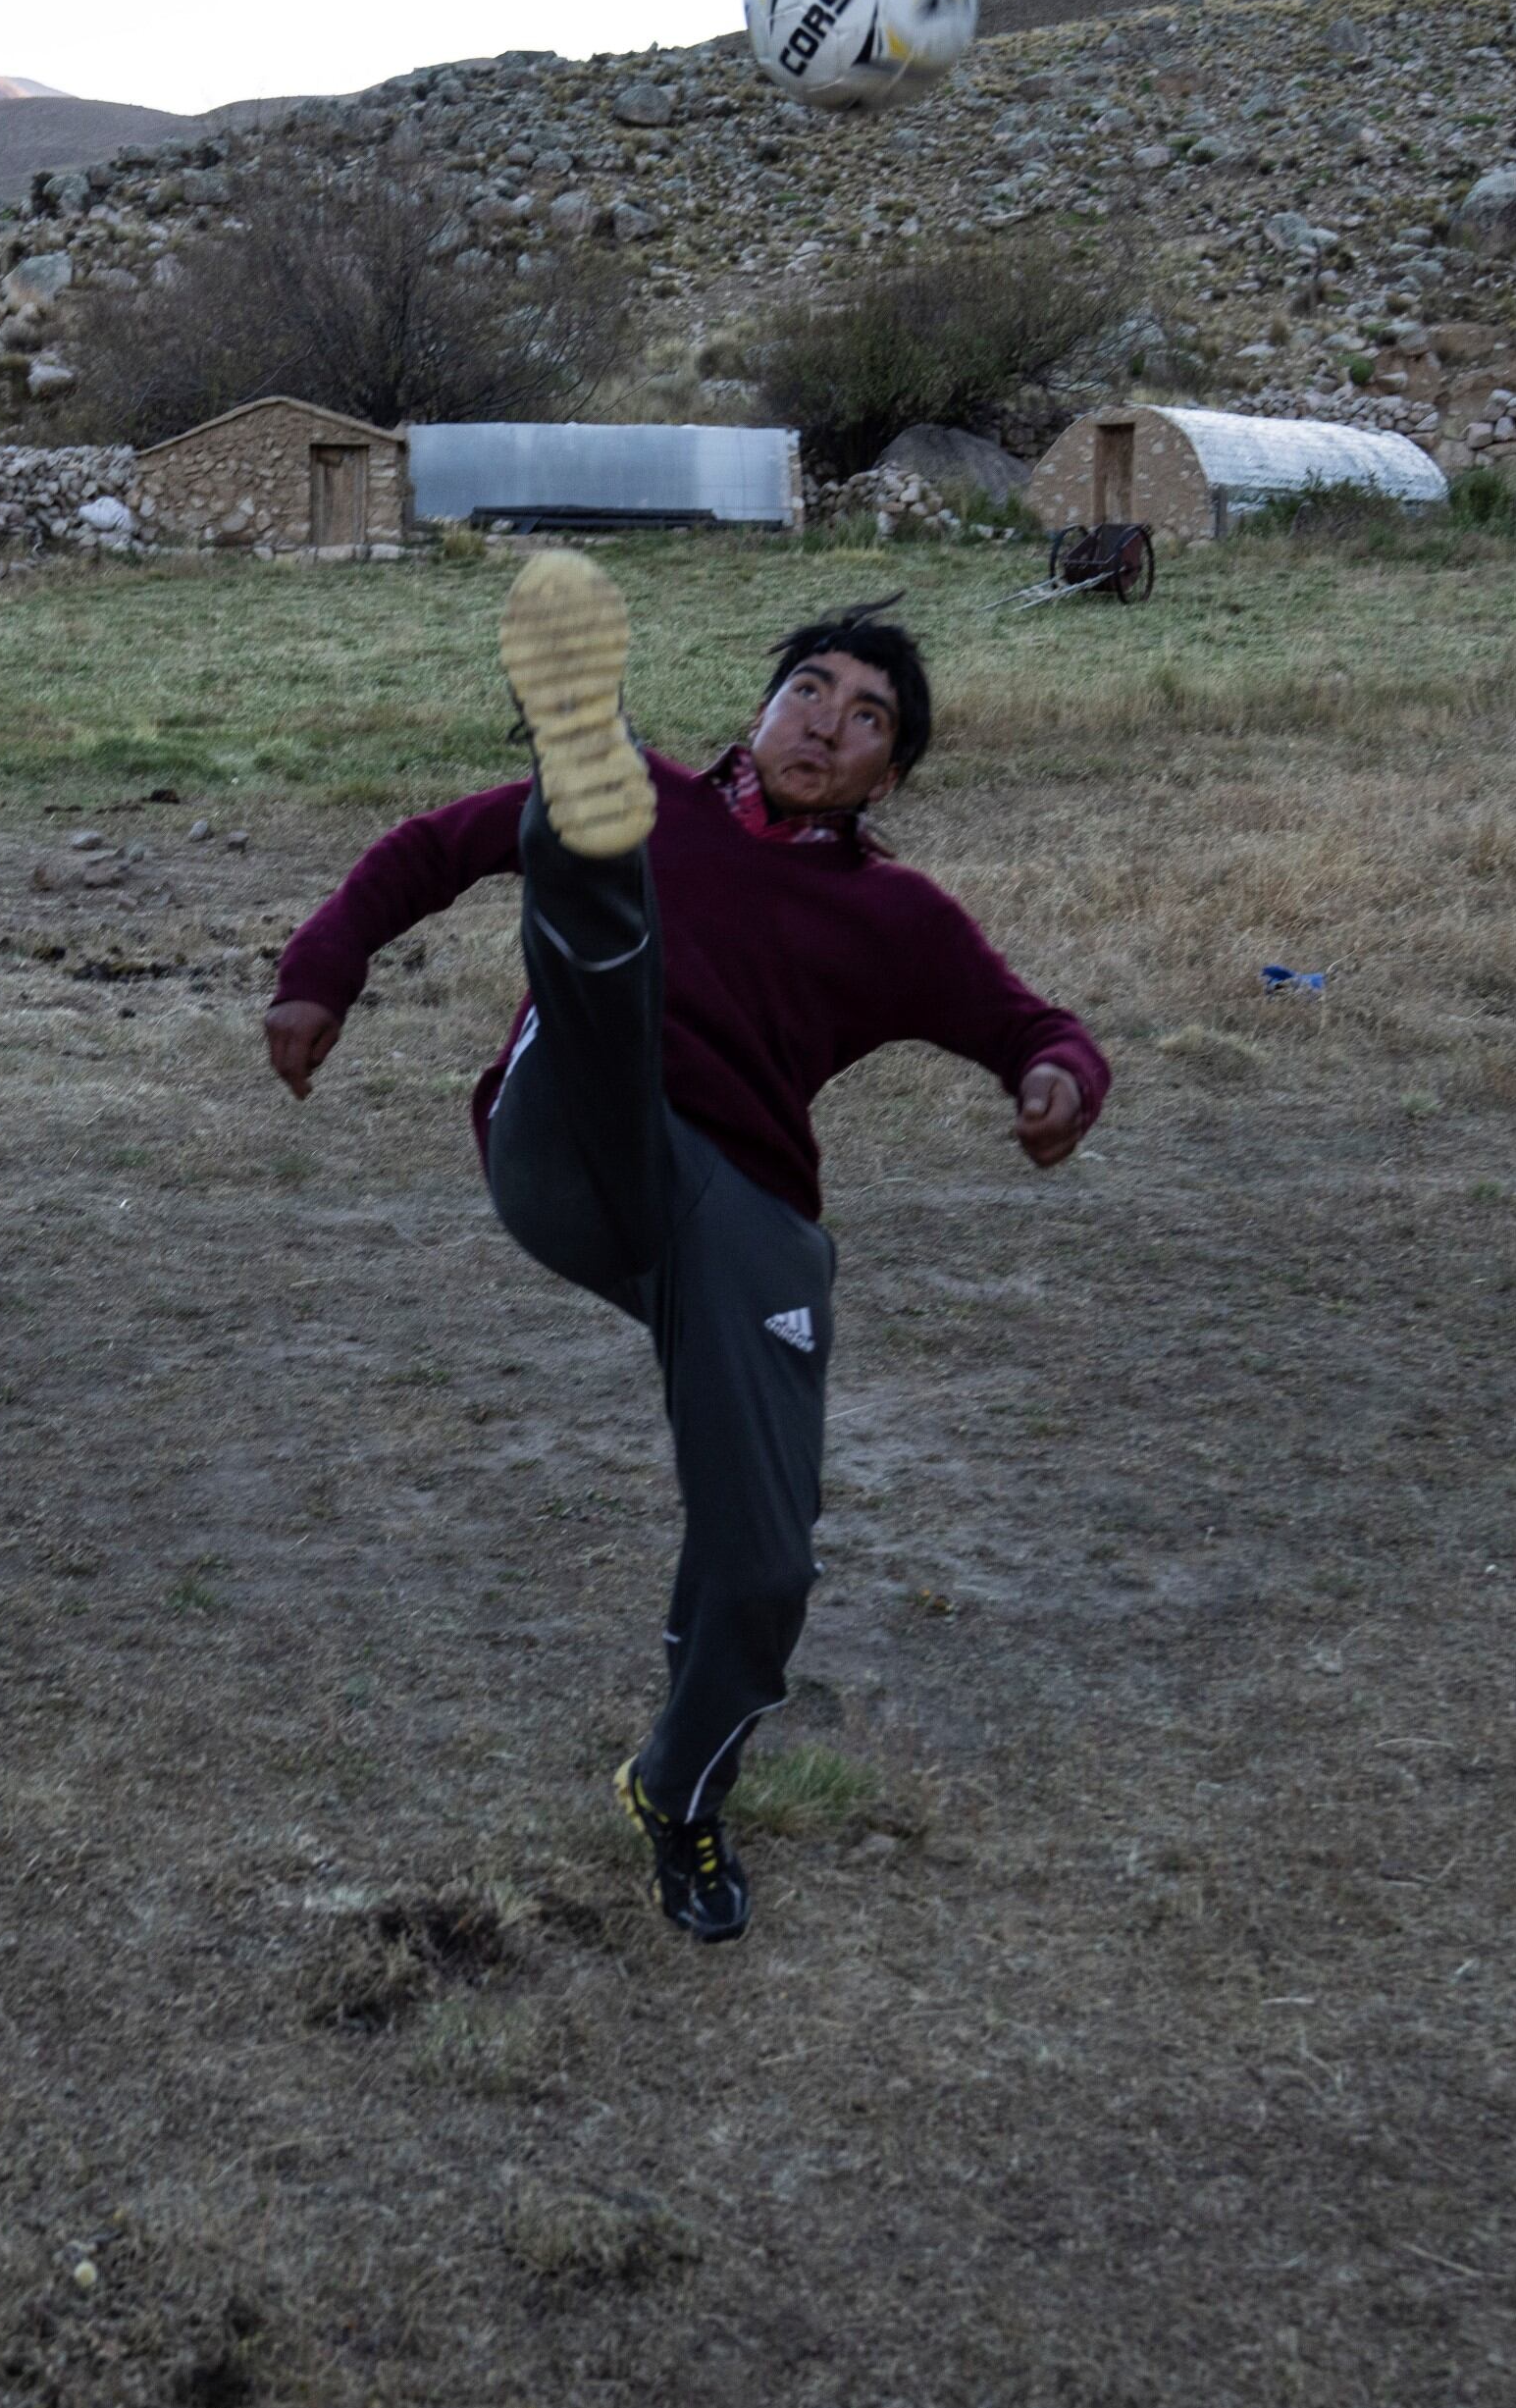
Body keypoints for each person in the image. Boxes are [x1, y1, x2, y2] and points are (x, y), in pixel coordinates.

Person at [264, 557, 1104, 1944]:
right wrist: (320, 969)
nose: (827, 723)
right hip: (577, 1137)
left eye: (867, 718)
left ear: (889, 777)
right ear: (763, 710)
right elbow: (424, 852)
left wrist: (1064, 1078)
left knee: (764, 1560)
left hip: (744, 1215)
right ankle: (573, 771)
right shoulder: (662, 796)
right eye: (807, 692)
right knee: (602, 919)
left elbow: (1031, 1024)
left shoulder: (896, 918)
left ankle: (681, 1787)